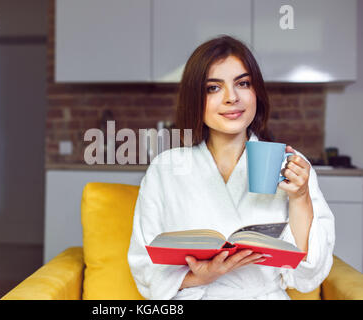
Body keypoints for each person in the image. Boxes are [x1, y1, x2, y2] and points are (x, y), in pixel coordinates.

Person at [127, 35, 335, 300]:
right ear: (195, 98)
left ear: (256, 90)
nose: (231, 98)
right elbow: (144, 265)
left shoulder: (291, 165)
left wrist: (300, 197)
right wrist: (198, 277)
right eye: (213, 88)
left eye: (243, 83)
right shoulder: (165, 169)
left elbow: (308, 274)